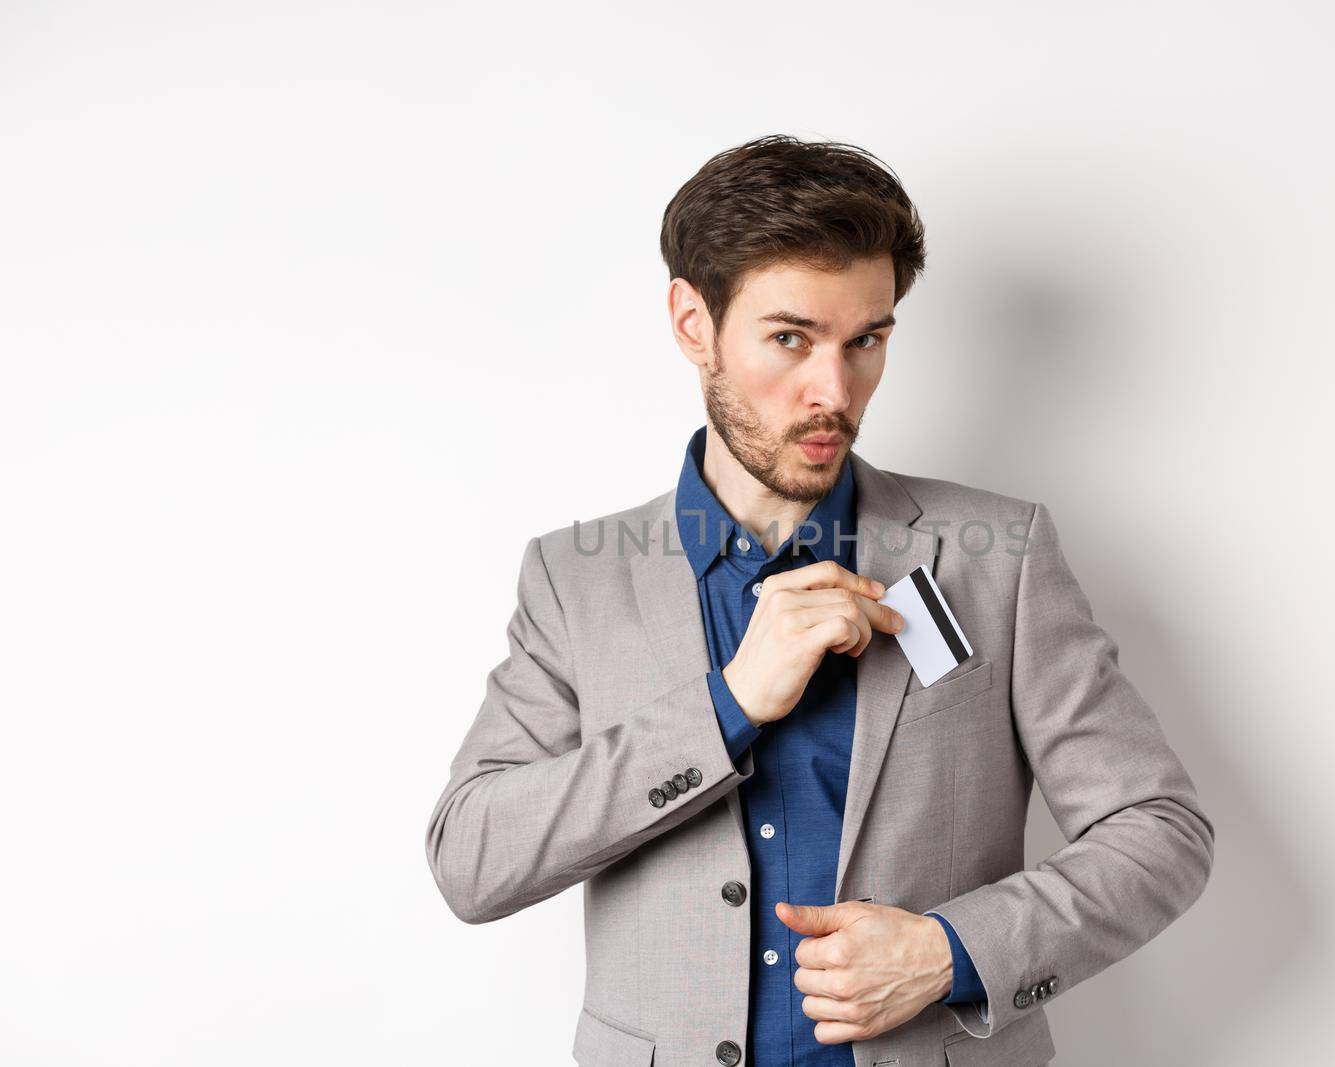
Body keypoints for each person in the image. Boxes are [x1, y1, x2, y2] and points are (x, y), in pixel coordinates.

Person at [424, 134, 1214, 1067]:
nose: (834, 392)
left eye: (866, 341)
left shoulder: (999, 555)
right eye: (790, 338)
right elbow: (472, 859)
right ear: (693, 323)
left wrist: (951, 950)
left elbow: (1160, 830)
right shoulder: (577, 578)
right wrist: (726, 707)